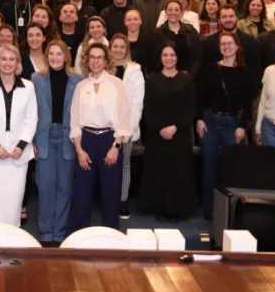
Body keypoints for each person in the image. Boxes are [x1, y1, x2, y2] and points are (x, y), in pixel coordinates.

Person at [68, 43, 131, 232]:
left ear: (106, 61)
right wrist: (79, 151)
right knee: (81, 195)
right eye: (92, 57)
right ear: (87, 60)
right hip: (86, 142)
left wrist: (116, 146)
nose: (96, 61)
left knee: (110, 194)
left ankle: (111, 238)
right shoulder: (80, 86)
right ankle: (76, 238)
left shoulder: (116, 84)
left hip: (109, 142)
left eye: (100, 57)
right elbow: (75, 120)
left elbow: (123, 117)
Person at [0, 44, 38, 226]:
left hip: (19, 153)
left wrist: (21, 145)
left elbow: (31, 119)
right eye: (3, 59)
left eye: (12, 59)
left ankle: (13, 240)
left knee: (14, 201)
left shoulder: (28, 87)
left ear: (17, 63)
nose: (7, 63)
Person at [196, 31, 256, 219]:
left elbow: (248, 103)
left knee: (231, 167)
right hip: (210, 123)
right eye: (223, 44)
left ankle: (229, 209)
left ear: (237, 47)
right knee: (209, 166)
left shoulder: (246, 73)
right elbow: (200, 97)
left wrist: (242, 126)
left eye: (230, 43)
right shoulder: (210, 69)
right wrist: (198, 119)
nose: (226, 47)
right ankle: (209, 210)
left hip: (232, 124)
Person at [33, 40, 83, 246]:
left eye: (59, 54)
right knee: (45, 186)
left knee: (64, 187)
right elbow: (31, 112)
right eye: (51, 54)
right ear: (47, 56)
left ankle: (60, 232)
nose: (55, 57)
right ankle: (46, 232)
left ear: (66, 57)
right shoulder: (36, 79)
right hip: (44, 137)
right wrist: (32, 141)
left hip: (67, 138)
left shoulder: (78, 80)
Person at [140, 43, 196, 222]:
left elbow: (190, 108)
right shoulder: (151, 80)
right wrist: (159, 128)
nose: (169, 58)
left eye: (172, 55)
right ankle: (160, 209)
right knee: (159, 170)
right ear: (160, 58)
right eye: (165, 55)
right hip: (156, 135)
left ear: (177, 58)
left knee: (179, 172)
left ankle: (177, 210)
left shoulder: (187, 80)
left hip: (179, 135)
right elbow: (147, 108)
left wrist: (175, 127)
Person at [108, 34, 144, 221]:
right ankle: (107, 199)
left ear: (127, 50)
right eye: (115, 46)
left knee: (124, 165)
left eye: (122, 47)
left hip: (126, 128)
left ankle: (122, 200)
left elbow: (137, 105)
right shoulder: (103, 69)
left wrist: (127, 131)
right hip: (104, 128)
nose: (118, 50)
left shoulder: (135, 71)